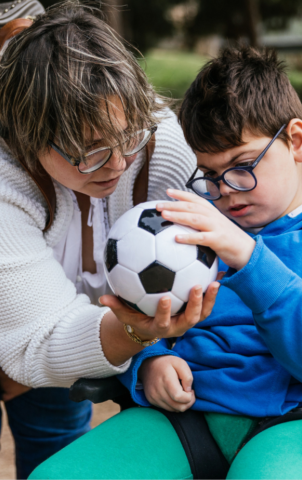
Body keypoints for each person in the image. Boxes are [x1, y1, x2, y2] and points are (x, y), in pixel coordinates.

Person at [30, 46, 302, 480]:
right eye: (209, 175)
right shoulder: (181, 229)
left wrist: (249, 258)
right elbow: (141, 318)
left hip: (289, 427)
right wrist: (149, 363)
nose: (227, 191)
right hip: (181, 419)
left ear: (296, 141)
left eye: (242, 165)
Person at [0, 2, 221, 478]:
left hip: (72, 346)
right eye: (89, 152)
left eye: (127, 138)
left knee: (54, 433)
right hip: (25, 324)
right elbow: (37, 340)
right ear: (28, 137)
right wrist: (136, 332)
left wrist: (147, 346)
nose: (119, 164)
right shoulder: (6, 182)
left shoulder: (161, 141)